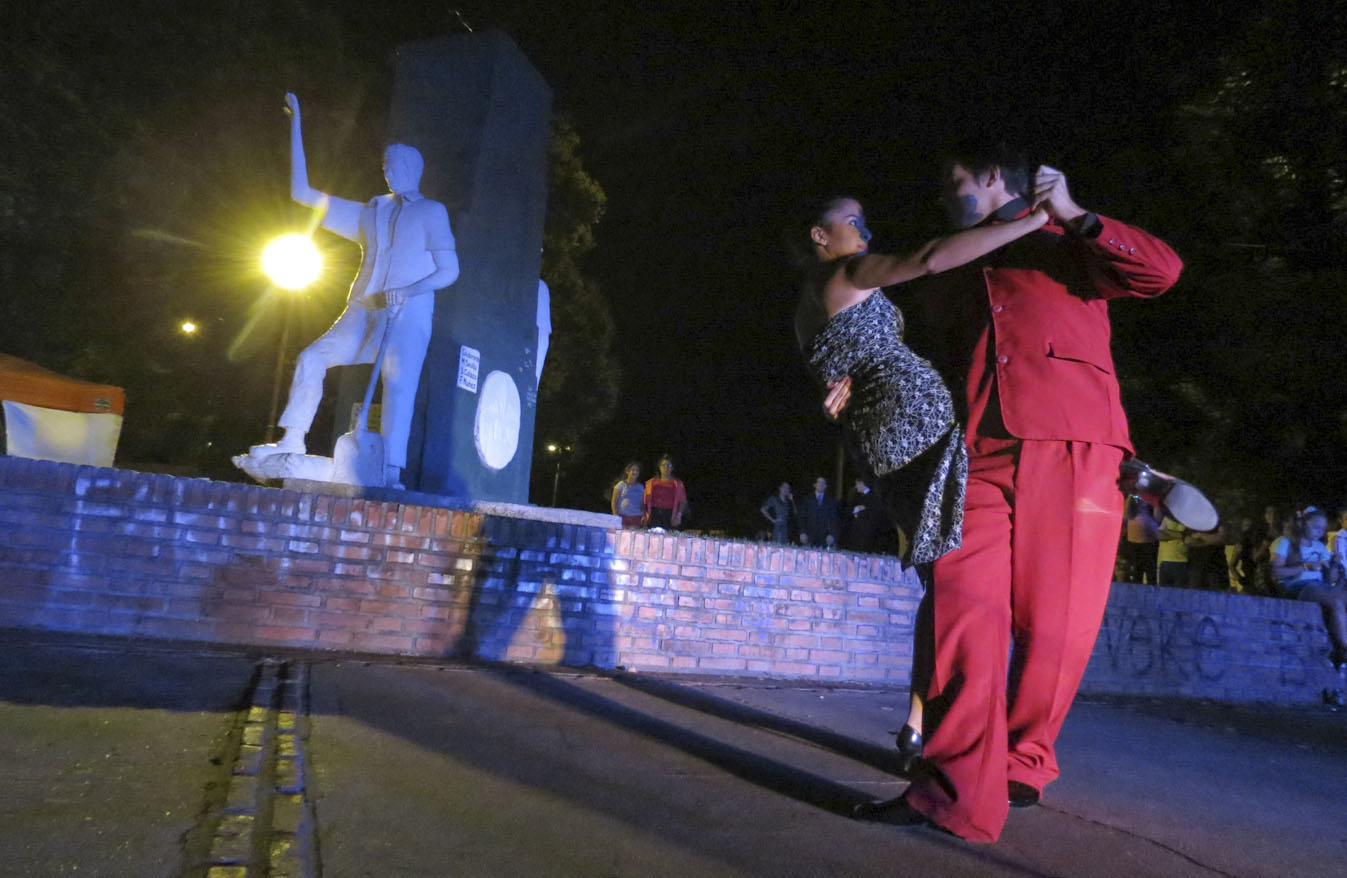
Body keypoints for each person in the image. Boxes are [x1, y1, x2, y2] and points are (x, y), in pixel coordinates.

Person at [865, 148, 1182, 842]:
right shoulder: (946, 261)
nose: (942, 194)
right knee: (958, 603)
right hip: (972, 450)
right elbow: (916, 356)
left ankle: (1022, 760)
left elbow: (1161, 271)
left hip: (1074, 445)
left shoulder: (1066, 242)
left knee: (1055, 622)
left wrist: (1074, 214)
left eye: (952, 181)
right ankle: (951, 791)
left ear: (991, 178)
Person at [796, 194, 1049, 789]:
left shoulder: (828, 295)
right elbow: (933, 258)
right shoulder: (842, 273)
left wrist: (1002, 218)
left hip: (909, 429)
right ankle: (935, 731)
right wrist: (1031, 222)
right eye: (852, 221)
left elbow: (843, 359)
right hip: (908, 436)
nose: (865, 229)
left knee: (949, 577)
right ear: (820, 235)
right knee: (954, 576)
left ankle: (921, 724)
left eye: (867, 219)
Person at [242, 93, 460, 489]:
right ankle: (292, 438)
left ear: (411, 168)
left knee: (399, 386)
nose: (387, 172)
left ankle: (390, 472)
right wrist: (297, 125)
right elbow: (303, 194)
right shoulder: (370, 212)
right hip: (362, 308)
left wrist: (408, 290)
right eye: (384, 166)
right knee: (312, 357)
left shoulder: (431, 212)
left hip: (407, 312)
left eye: (392, 166)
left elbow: (449, 271)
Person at [1270, 507, 1347, 670]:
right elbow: (1276, 571)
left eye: (1322, 528)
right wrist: (1306, 566)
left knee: (1340, 599)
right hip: (1299, 586)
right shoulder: (1284, 542)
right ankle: (1344, 647)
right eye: (1315, 527)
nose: (1319, 531)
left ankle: (1340, 650)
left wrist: (1333, 564)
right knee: (1336, 601)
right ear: (1302, 524)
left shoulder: (1319, 546)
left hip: (1321, 586)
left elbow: (1330, 579)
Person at [1121, 497, 1160, 584]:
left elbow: (1125, 518)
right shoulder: (1152, 499)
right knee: (1150, 571)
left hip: (1134, 538)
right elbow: (1158, 517)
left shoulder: (1130, 499)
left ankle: (1137, 593)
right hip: (1149, 538)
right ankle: (1151, 593)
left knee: (1137, 570)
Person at [843, 476, 887, 552]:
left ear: (862, 484)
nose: (856, 486)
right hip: (855, 535)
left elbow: (875, 514)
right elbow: (847, 509)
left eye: (857, 484)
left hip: (868, 536)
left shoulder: (874, 497)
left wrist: (862, 512)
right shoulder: (855, 496)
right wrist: (856, 509)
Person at [643, 455, 687, 530]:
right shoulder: (651, 482)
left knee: (668, 539)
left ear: (672, 468)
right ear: (659, 467)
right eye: (663, 465)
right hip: (654, 514)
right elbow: (644, 501)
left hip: (670, 515)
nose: (666, 468)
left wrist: (678, 516)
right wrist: (644, 515)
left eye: (669, 465)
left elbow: (682, 501)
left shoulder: (678, 484)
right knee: (654, 538)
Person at [797, 476, 841, 548]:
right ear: (815, 485)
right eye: (819, 483)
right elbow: (801, 517)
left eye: (823, 483)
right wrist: (802, 532)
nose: (821, 485)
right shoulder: (807, 499)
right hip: (809, 536)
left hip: (825, 538)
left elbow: (834, 519)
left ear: (826, 486)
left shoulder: (830, 501)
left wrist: (832, 534)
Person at [1156, 514, 1190, 587]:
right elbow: (1159, 535)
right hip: (1166, 561)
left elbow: (1189, 538)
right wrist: (1180, 536)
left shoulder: (1188, 519)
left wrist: (1167, 532)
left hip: (1182, 561)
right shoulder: (1167, 518)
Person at [610, 462, 645, 528]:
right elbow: (614, 502)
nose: (635, 472)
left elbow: (642, 503)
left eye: (637, 470)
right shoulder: (621, 485)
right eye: (633, 470)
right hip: (622, 516)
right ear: (627, 471)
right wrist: (615, 516)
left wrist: (644, 515)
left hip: (636, 517)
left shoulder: (641, 487)